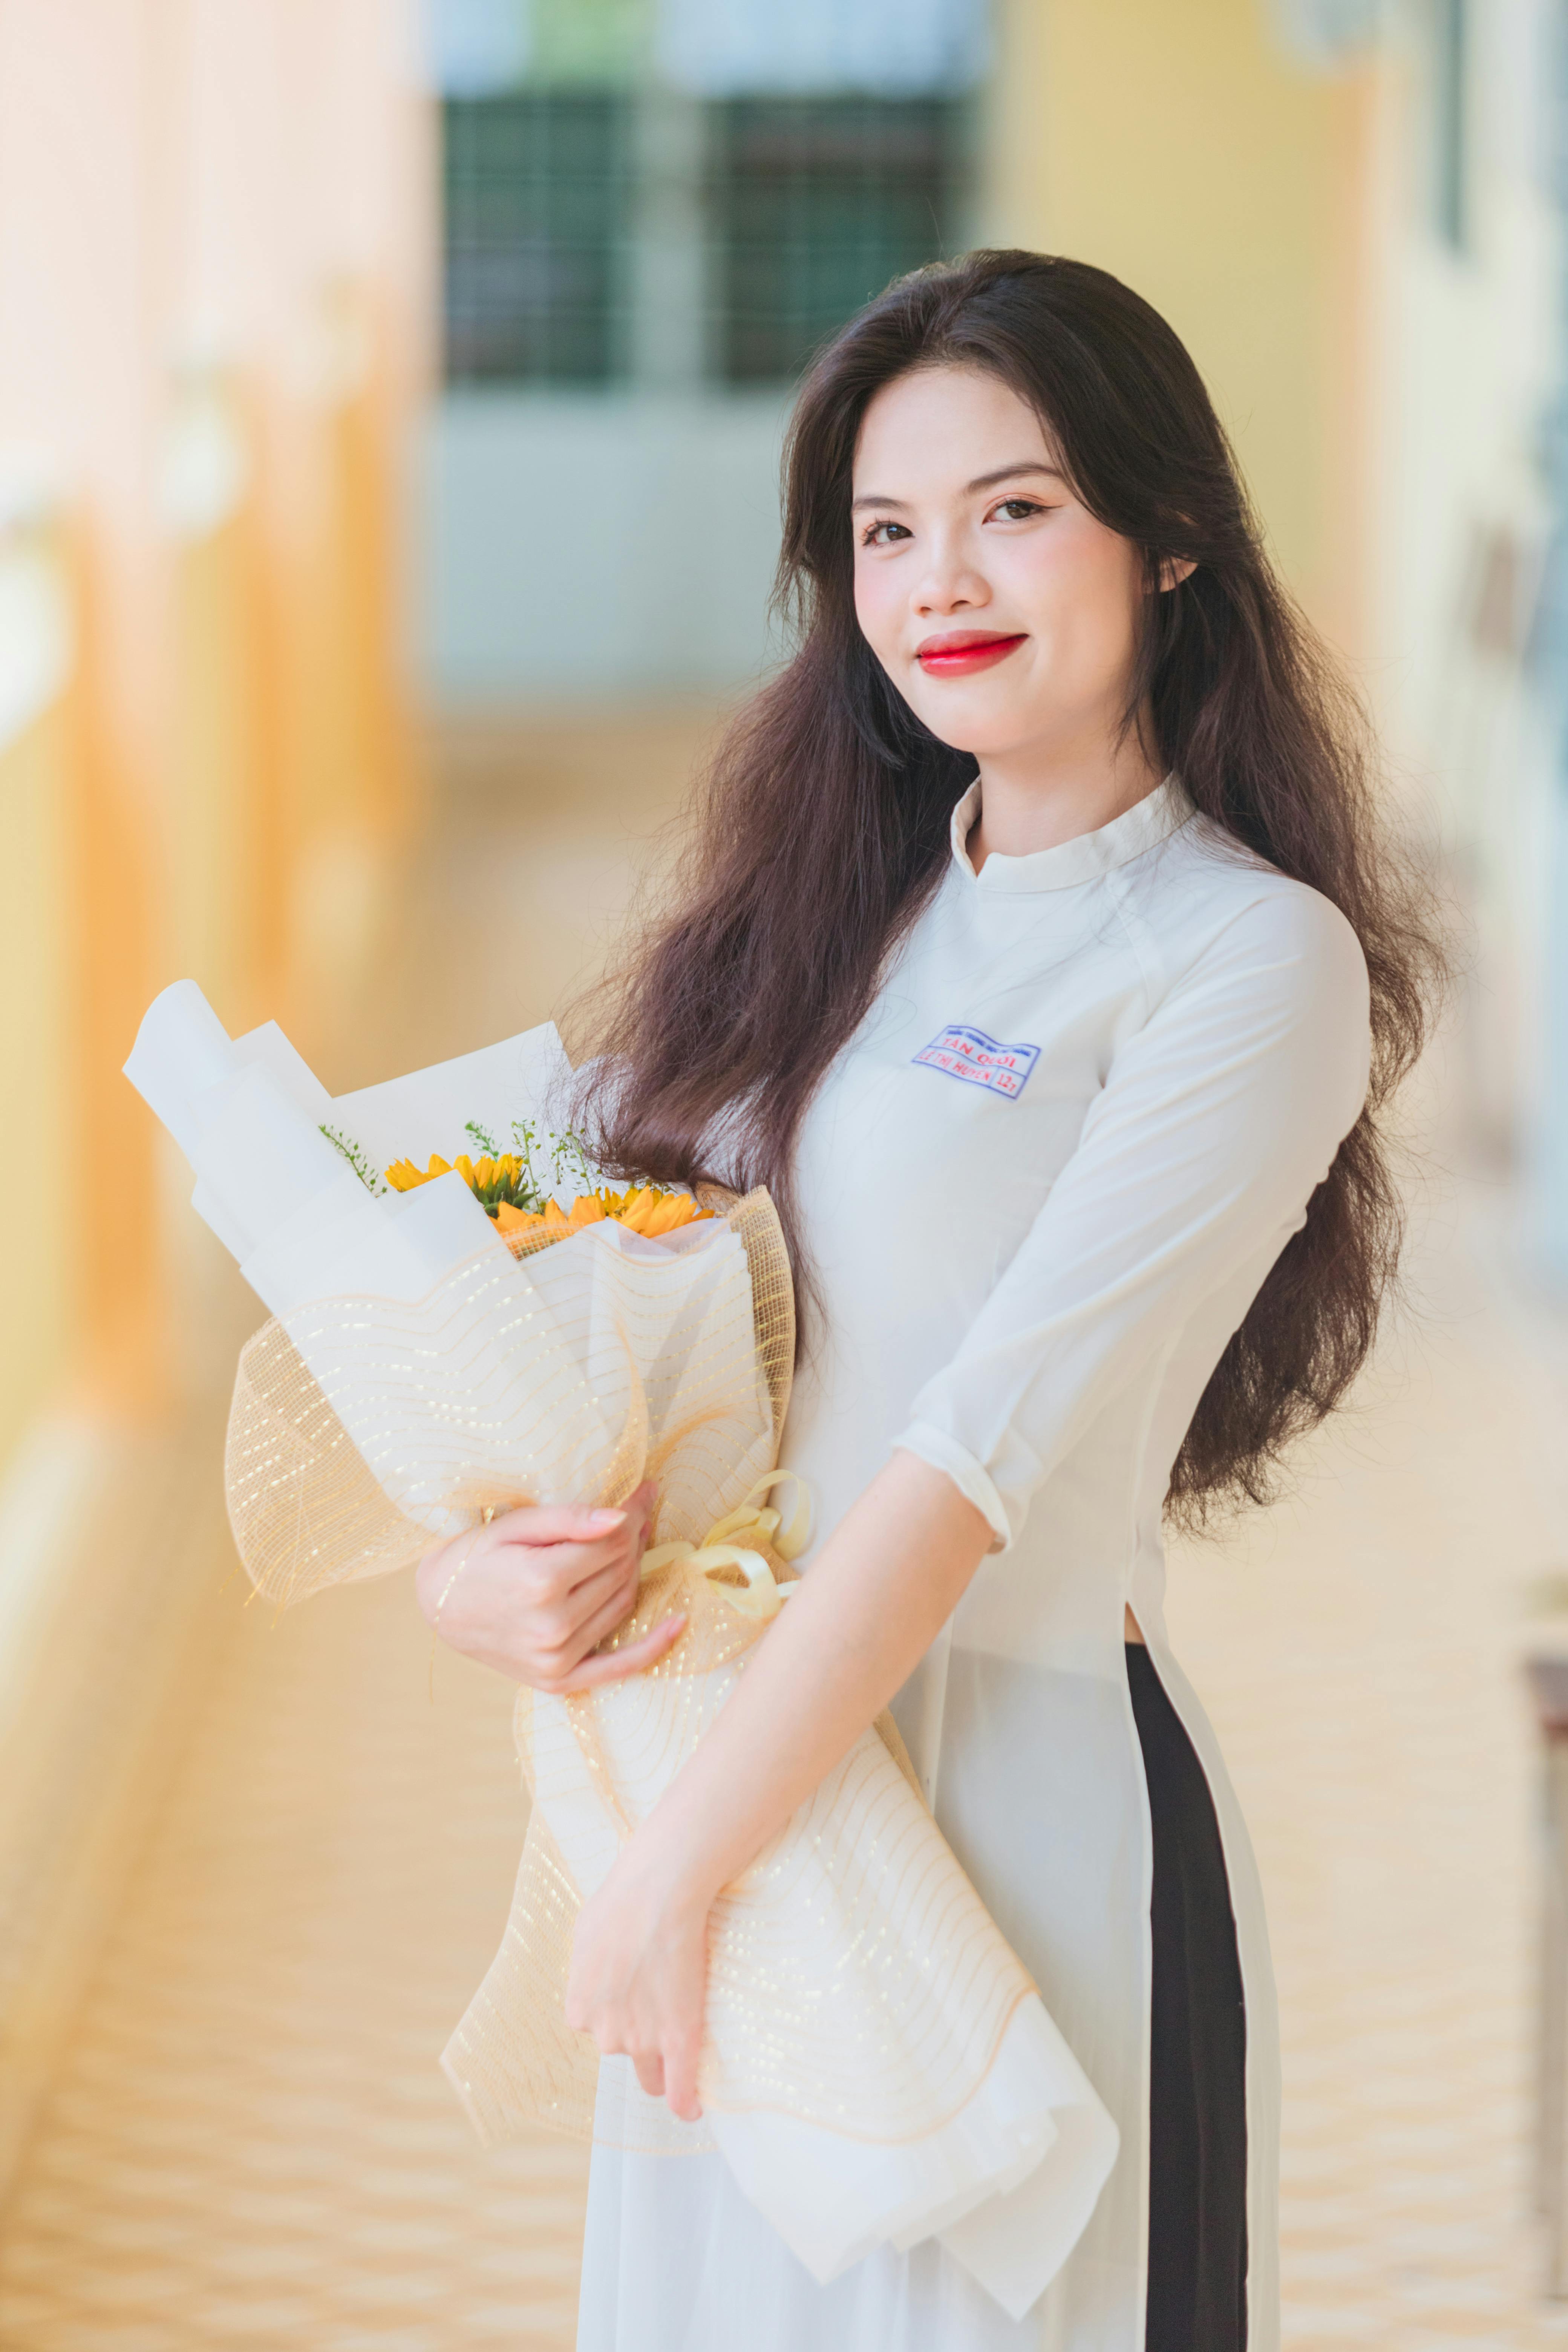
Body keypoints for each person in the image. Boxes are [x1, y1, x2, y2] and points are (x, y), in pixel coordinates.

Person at [416, 252, 1440, 2352]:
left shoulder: (1248, 967)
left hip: (1018, 1835)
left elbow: (979, 1451)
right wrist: (471, 1569)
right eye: (886, 532)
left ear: (1166, 540)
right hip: (753, 1813)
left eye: (1014, 508)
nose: (939, 579)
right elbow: (534, 1246)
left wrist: (673, 1870)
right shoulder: (822, 921)